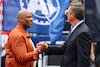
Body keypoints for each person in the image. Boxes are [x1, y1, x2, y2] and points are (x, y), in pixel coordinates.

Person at [37, 1, 93, 67]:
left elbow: (83, 60)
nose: (66, 14)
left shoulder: (83, 33)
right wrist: (47, 48)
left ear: (72, 15)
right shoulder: (74, 29)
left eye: (67, 12)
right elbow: (64, 48)